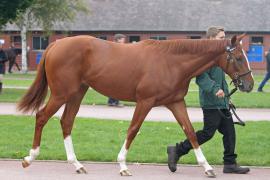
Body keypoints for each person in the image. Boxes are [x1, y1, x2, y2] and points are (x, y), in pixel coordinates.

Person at [167, 26, 250, 174]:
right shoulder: (205, 56)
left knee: (230, 132)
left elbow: (223, 79)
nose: (223, 40)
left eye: (224, 37)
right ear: (211, 39)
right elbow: (201, 78)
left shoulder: (221, 55)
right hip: (210, 102)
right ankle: (177, 150)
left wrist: (227, 98)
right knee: (207, 133)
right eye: (220, 37)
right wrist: (214, 89)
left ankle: (230, 164)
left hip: (222, 102)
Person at [107, 34, 126, 107]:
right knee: (116, 86)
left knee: (115, 86)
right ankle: (114, 102)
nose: (123, 41)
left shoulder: (117, 46)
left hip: (116, 68)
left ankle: (112, 102)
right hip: (115, 68)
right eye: (122, 39)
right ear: (118, 39)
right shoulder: (116, 46)